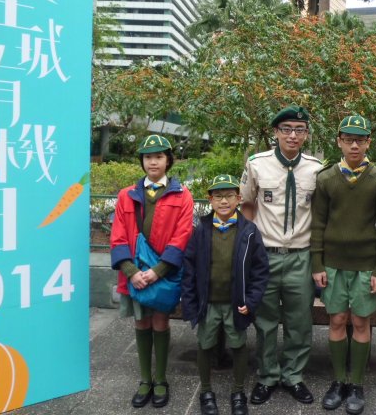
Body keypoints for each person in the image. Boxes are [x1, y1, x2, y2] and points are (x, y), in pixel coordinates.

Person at [240, 105, 323, 405]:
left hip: (301, 256)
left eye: (299, 130)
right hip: (265, 256)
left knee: (299, 321)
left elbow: (319, 213)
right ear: (275, 132)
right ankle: (267, 376)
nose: (292, 135)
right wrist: (249, 248)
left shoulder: (316, 169)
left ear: (306, 135)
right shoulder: (257, 164)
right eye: (286, 129)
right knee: (265, 321)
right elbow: (247, 204)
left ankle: (293, 376)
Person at [311, 115, 376, 415]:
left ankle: (356, 383)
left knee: (360, 322)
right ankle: (339, 381)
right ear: (339, 142)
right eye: (348, 139)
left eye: (360, 140)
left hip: (365, 265)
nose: (354, 145)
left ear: (368, 142)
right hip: (332, 265)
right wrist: (317, 264)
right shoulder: (326, 178)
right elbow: (318, 223)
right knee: (336, 321)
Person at [110, 134, 194, 409]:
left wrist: (158, 270)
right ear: (142, 161)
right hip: (134, 272)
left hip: (164, 271)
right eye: (148, 157)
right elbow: (118, 235)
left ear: (168, 160)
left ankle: (160, 379)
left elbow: (182, 236)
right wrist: (131, 271)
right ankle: (145, 379)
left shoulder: (182, 195)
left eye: (159, 157)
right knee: (141, 322)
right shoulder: (126, 195)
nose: (153, 162)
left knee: (160, 322)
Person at [181, 174, 269, 415]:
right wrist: (190, 302)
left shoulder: (249, 231)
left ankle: (238, 391)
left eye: (229, 196)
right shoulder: (201, 230)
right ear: (210, 200)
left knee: (238, 344)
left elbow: (260, 271)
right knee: (205, 344)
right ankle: (206, 391)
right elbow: (189, 268)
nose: (223, 201)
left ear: (238, 199)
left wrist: (251, 300)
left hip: (236, 303)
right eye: (218, 196)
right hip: (208, 303)